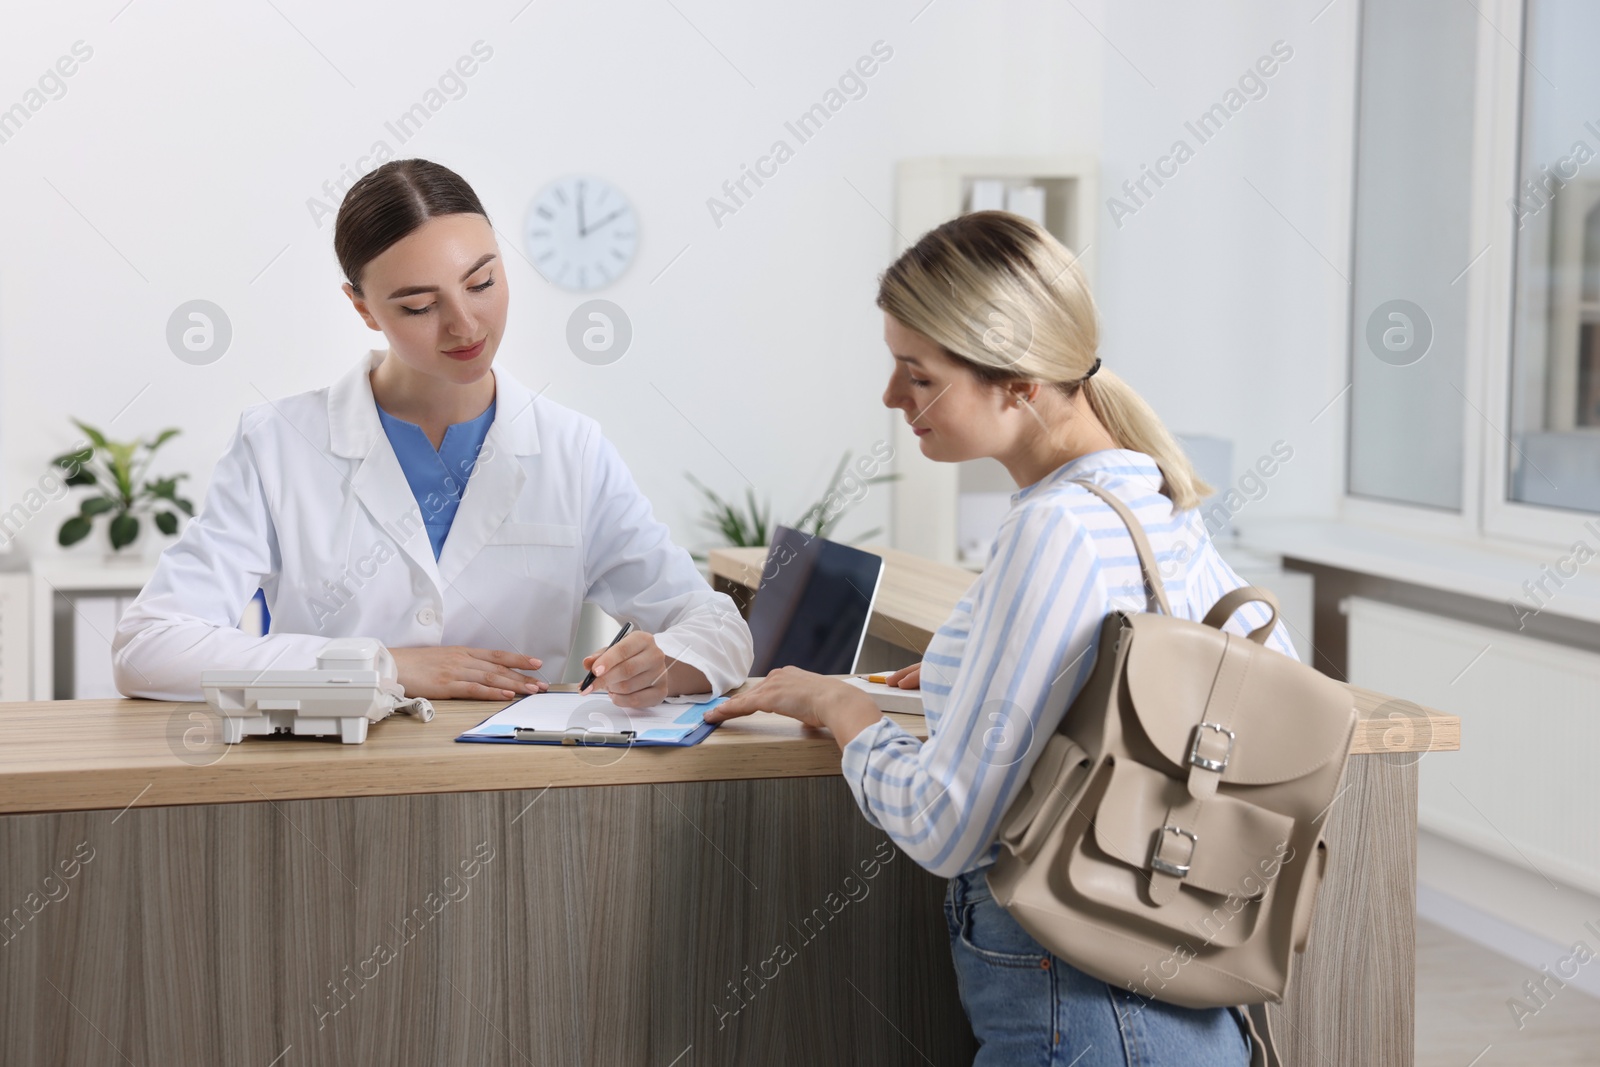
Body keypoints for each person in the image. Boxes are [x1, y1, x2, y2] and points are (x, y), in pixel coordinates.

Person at [706, 211, 1294, 1065]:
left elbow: (948, 827)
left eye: (918, 373)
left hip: (1085, 1011)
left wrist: (841, 708)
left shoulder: (1054, 529)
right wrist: (971, 666)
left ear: (1018, 382)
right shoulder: (1151, 498)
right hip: (1180, 1005)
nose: (891, 398)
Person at [113, 159, 752, 706]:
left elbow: (717, 629)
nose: (465, 324)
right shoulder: (278, 443)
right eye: (419, 306)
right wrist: (380, 667)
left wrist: (665, 664)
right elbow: (150, 647)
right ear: (362, 308)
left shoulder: (571, 450)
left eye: (483, 282)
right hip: (333, 786)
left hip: (527, 794)